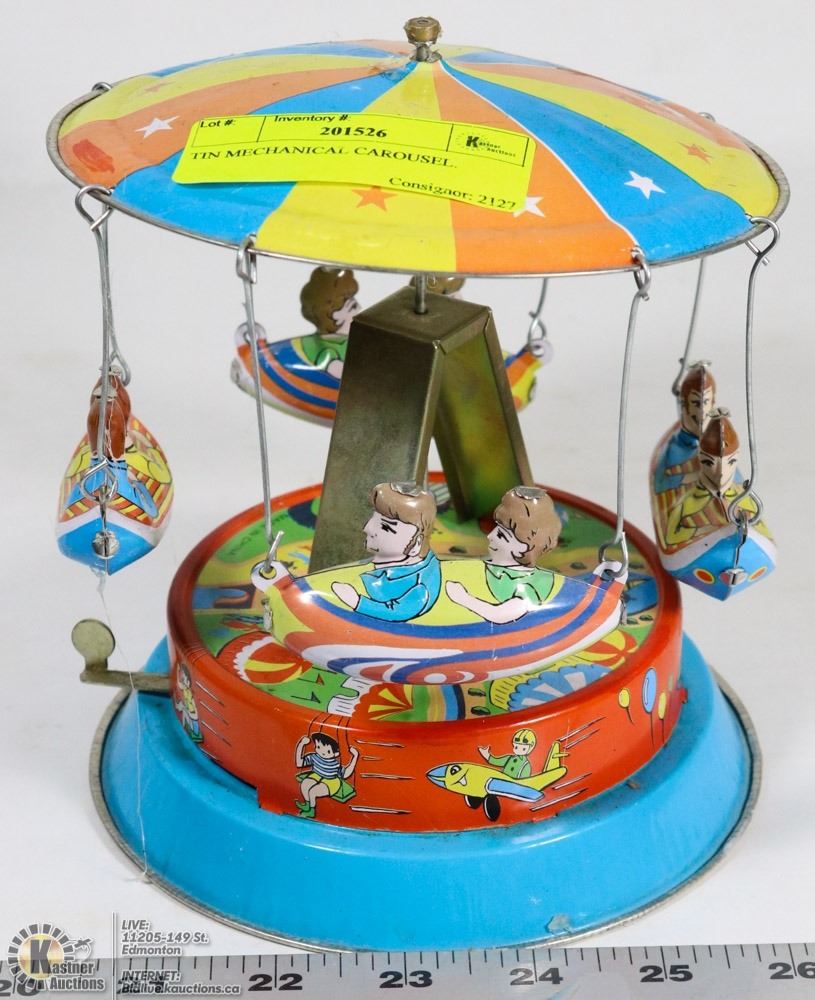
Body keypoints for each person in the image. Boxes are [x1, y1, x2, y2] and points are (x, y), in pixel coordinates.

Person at [445, 486, 562, 624]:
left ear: (523, 548)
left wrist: (463, 598)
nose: (490, 536)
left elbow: (500, 615)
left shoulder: (530, 585)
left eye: (501, 535)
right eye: (495, 529)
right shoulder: (489, 567)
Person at [332, 482, 441, 621]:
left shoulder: (419, 587)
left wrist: (357, 602)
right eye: (374, 520)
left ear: (416, 544)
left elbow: (399, 611)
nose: (367, 528)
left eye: (385, 527)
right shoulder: (395, 564)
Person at [665, 409, 758, 545]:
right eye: (709, 463)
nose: (721, 472)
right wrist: (701, 531)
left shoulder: (747, 500)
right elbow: (670, 538)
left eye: (731, 462)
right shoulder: (684, 506)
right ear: (700, 458)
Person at [654, 362, 716, 493]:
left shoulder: (716, 445)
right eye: (696, 403)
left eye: (706, 402)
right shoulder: (674, 450)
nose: (702, 411)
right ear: (684, 405)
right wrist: (698, 476)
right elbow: (661, 484)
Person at [298, 267, 360, 378]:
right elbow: (347, 374)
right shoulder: (324, 347)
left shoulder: (352, 340)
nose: (360, 309)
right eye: (353, 307)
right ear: (335, 315)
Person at [295, 732, 359, 819]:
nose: (322, 752)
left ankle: (312, 811)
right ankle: (307, 804)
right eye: (318, 747)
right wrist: (301, 744)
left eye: (328, 751)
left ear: (336, 754)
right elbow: (299, 763)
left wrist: (355, 757)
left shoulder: (335, 765)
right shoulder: (314, 757)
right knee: (304, 784)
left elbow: (345, 774)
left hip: (331, 781)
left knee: (313, 791)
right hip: (317, 775)